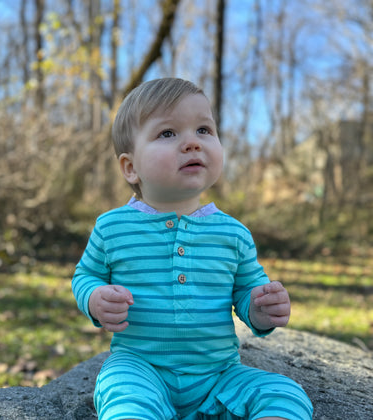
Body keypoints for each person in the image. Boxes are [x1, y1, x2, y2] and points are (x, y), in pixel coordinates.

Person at [71, 78, 313, 420]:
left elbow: (246, 290)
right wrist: (94, 298)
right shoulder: (112, 227)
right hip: (141, 367)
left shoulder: (233, 232)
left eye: (203, 129)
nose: (192, 144)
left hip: (218, 376)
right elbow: (86, 274)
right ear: (131, 167)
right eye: (168, 133)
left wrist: (260, 309)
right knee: (123, 396)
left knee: (286, 394)